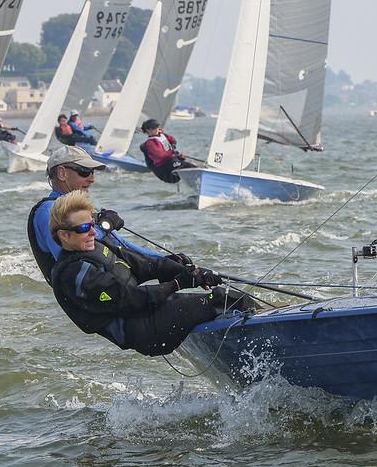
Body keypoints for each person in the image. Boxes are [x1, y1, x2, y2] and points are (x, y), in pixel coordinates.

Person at [49, 190, 235, 356]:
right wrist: (179, 283)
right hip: (143, 331)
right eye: (83, 228)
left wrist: (186, 270)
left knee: (229, 298)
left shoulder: (94, 246)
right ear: (64, 235)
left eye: (91, 224)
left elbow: (145, 265)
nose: (92, 232)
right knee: (220, 300)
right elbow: (132, 298)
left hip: (150, 312)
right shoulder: (73, 274)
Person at [28, 145, 170, 286]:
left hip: (121, 289)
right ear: (62, 173)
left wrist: (167, 261)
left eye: (93, 172)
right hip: (96, 299)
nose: (92, 179)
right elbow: (73, 258)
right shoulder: (48, 211)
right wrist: (104, 228)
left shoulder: (78, 210)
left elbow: (122, 245)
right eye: (85, 171)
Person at [139, 118, 196, 183]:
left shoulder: (161, 136)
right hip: (165, 171)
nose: (156, 129)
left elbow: (173, 141)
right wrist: (174, 154)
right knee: (188, 166)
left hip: (170, 163)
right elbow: (160, 156)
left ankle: (197, 182)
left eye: (157, 127)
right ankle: (197, 181)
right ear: (148, 130)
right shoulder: (150, 143)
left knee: (191, 166)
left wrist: (178, 157)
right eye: (153, 128)